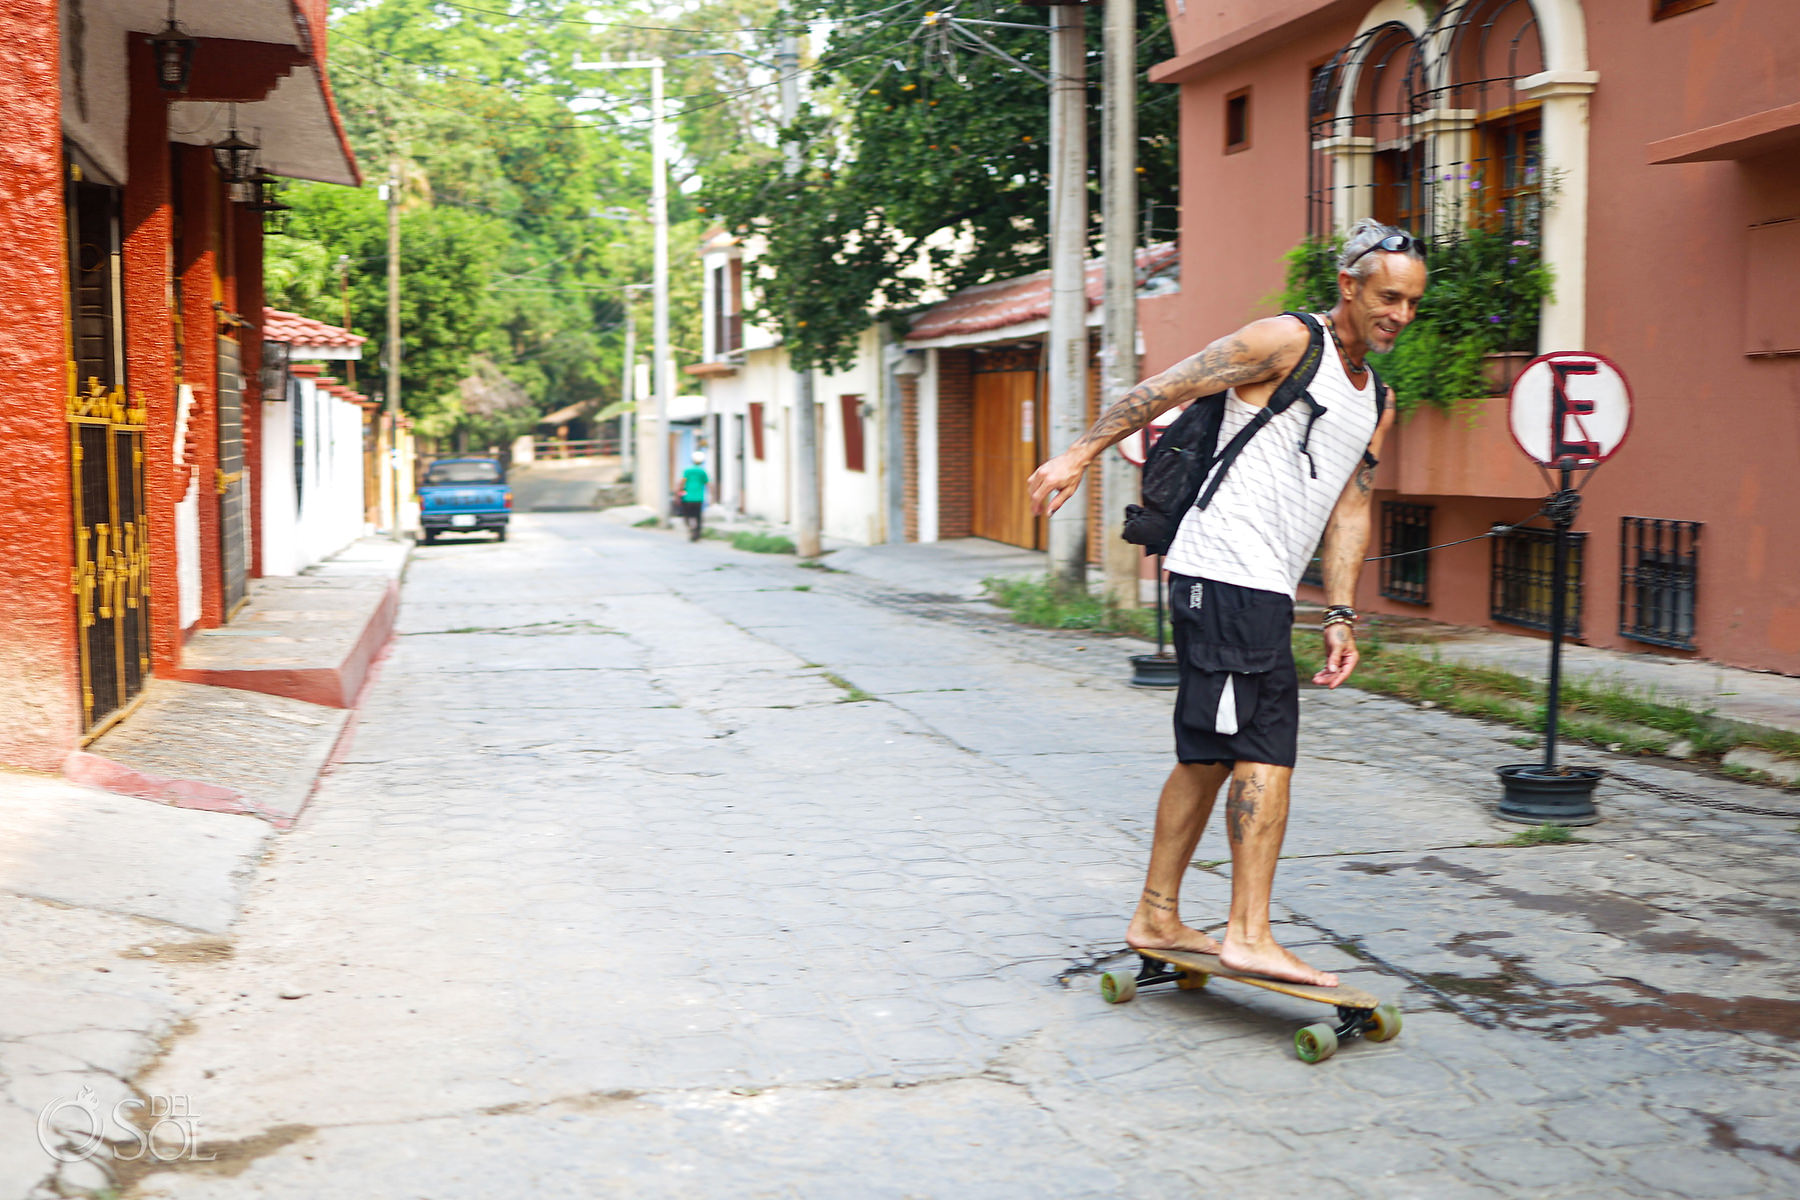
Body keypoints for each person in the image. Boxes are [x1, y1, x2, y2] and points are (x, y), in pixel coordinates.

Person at [1027, 219, 1426, 986]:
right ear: (1349, 285)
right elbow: (1163, 387)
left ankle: (1156, 912)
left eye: (1411, 304)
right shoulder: (1282, 341)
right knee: (1266, 750)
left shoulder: (1377, 397)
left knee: (1209, 755)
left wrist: (1340, 612)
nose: (1399, 316)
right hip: (1224, 572)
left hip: (1262, 588)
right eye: (1387, 297)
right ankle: (1248, 932)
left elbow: (1350, 507)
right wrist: (1079, 452)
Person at [680, 450, 710, 542]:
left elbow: (682, 483)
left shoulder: (687, 470)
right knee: (698, 516)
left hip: (687, 497)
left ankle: (690, 528)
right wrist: (712, 496)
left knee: (687, 515)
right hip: (698, 497)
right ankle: (697, 532)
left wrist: (679, 493)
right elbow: (708, 484)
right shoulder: (702, 471)